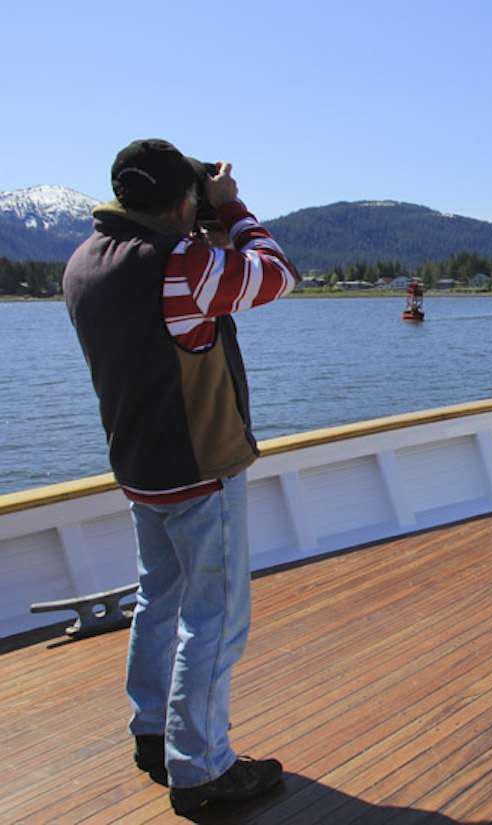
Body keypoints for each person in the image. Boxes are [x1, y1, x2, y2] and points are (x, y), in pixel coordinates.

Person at [62, 138, 298, 815]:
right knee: (215, 620)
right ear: (182, 200)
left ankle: (151, 732)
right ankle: (201, 768)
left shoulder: (83, 263)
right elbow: (277, 273)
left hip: (140, 468)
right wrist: (233, 207)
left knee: (159, 600)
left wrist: (200, 215)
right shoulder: (183, 262)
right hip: (200, 467)